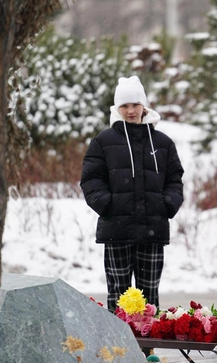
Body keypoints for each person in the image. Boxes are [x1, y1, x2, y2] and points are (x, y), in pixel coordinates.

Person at [80, 76, 184, 311]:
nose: (130, 111)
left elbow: (174, 179)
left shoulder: (163, 143)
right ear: (117, 108)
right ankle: (117, 349)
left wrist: (167, 204)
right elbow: (90, 180)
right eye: (125, 106)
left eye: (135, 105)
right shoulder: (103, 141)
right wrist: (107, 204)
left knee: (149, 302)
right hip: (116, 231)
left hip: (152, 232)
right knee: (119, 299)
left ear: (144, 106)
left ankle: (147, 350)